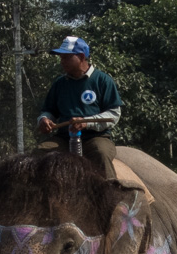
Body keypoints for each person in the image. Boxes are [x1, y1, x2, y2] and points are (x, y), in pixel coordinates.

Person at [35, 36, 123, 180]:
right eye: (61, 57)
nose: (61, 61)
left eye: (66, 57)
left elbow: (114, 114)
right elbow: (48, 110)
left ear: (81, 57)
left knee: (101, 153)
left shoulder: (102, 80)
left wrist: (87, 122)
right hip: (63, 138)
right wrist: (44, 119)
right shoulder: (59, 83)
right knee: (40, 153)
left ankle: (111, 198)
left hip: (95, 137)